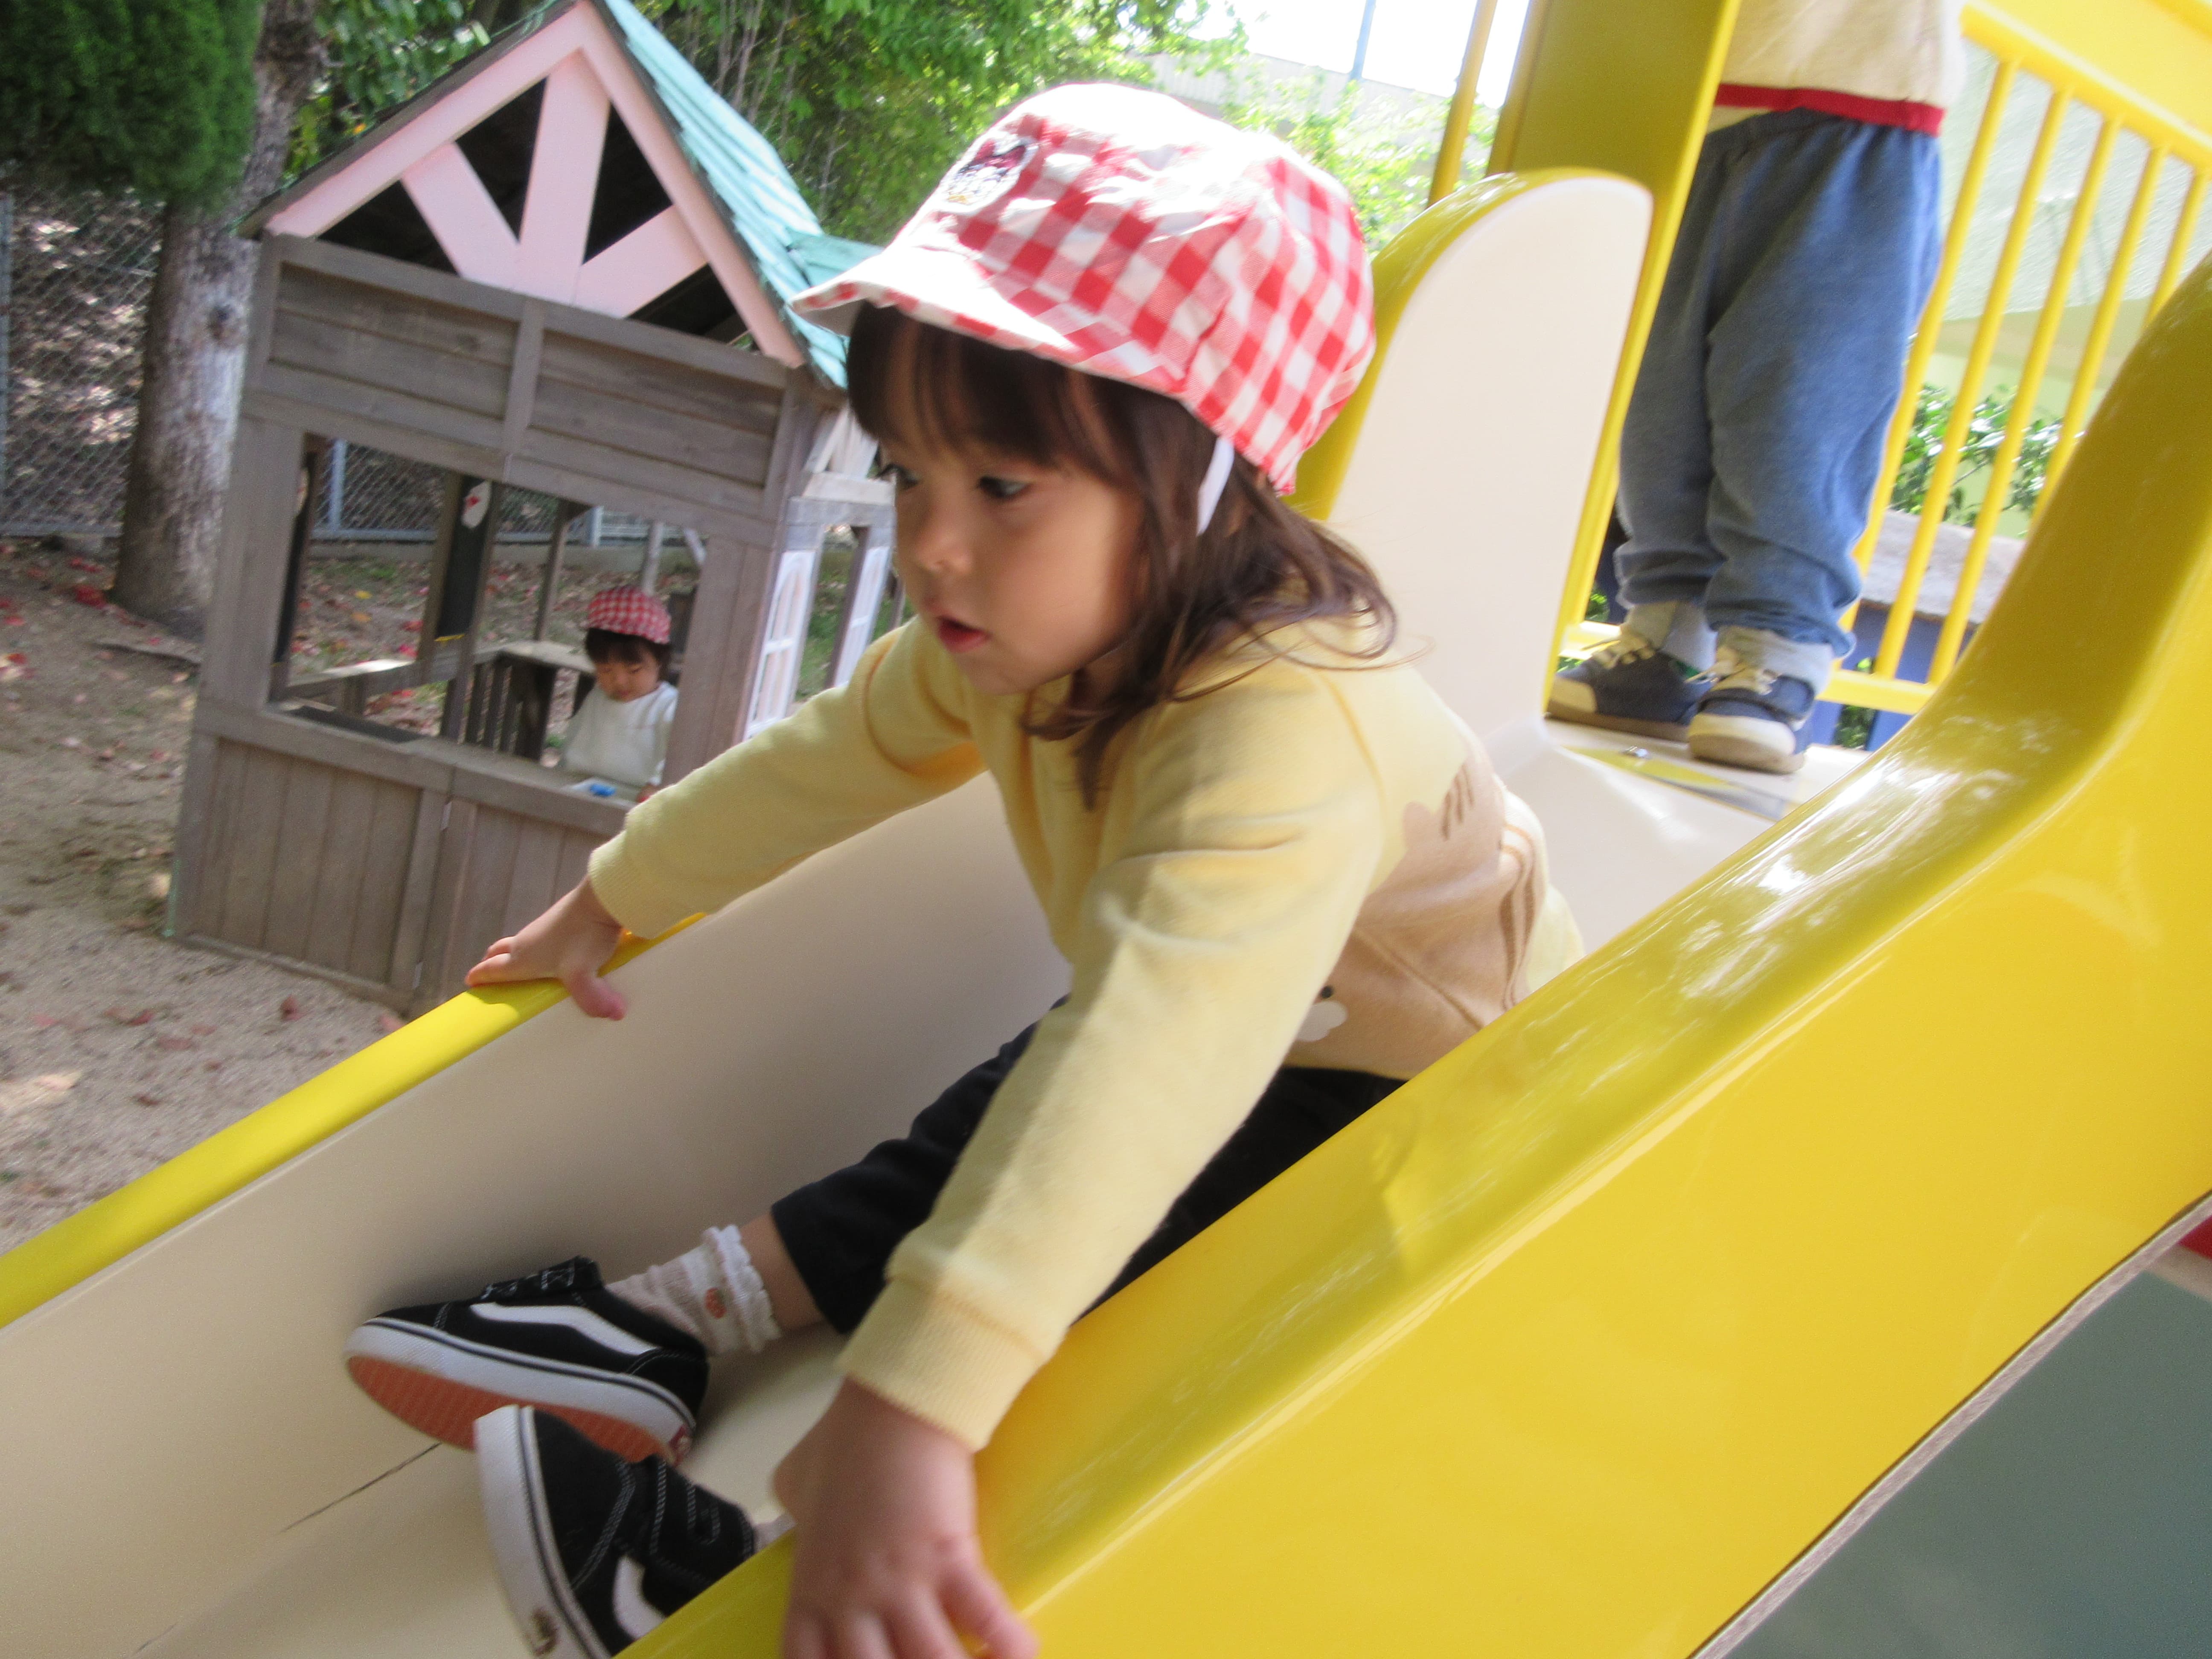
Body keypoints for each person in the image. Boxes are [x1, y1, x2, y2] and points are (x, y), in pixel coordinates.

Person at [340, 84, 1582, 1659]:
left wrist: (910, 1405)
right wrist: (619, 892)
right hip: (1252, 1017)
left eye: (1002, 486)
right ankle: (660, 1328)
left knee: (1099, 1275)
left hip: (1435, 1104)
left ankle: (718, 1581)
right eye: (910, 472)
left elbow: (1151, 1065)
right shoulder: (1017, 641)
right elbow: (833, 754)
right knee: (990, 1128)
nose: (932, 541)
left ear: (1202, 479)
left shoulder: (1287, 731)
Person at [1549, 0, 1963, 772]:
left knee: (1799, 399)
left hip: (1854, 88)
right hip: (1683, 101)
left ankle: (1778, 645)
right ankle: (1667, 634)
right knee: (1659, 403)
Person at [559, 586, 679, 791]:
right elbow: (573, 742)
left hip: (637, 799)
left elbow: (678, 756)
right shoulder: (597, 698)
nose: (620, 682)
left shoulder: (669, 705)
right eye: (606, 670)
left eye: (634, 670)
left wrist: (657, 784)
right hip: (581, 788)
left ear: (660, 661)